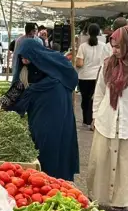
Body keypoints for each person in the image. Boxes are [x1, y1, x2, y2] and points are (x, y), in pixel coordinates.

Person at [86, 25, 128, 211]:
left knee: (125, 163)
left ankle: (120, 201)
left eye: (118, 47)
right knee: (101, 160)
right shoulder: (107, 65)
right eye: (113, 46)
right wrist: (95, 115)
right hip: (106, 120)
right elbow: (99, 92)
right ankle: (98, 197)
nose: (114, 51)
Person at [11, 37, 80, 180]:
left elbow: (70, 77)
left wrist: (39, 89)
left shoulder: (54, 61)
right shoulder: (26, 69)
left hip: (58, 110)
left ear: (34, 53)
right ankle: (42, 179)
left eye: (26, 56)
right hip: (39, 113)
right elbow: (18, 89)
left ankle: (59, 179)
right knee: (41, 144)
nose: (23, 60)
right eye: (21, 57)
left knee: (58, 143)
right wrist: (1, 104)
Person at [74, 23, 110, 127]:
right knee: (96, 99)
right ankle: (95, 120)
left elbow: (79, 63)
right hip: (98, 77)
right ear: (99, 32)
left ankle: (87, 120)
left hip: (84, 77)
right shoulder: (104, 46)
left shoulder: (83, 46)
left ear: (88, 33)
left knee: (85, 99)